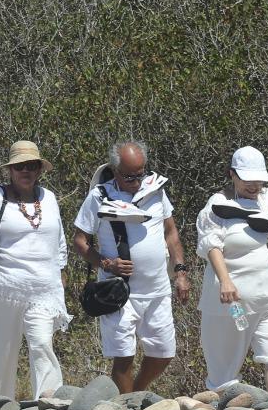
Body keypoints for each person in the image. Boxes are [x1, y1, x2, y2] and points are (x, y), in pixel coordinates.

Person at [72, 141, 190, 393]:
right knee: (124, 357)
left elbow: (171, 233)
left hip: (157, 289)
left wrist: (180, 271)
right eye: (129, 177)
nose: (136, 182)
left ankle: (136, 394)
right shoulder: (98, 196)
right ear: (115, 171)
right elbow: (80, 242)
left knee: (164, 352)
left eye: (141, 175)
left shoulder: (156, 191)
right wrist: (106, 263)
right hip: (119, 292)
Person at [0, 140, 70, 399]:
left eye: (32, 165)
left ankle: (49, 405)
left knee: (42, 344)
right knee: (1, 352)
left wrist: (61, 275)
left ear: (39, 169)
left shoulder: (49, 197)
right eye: (20, 166)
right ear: (10, 170)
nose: (26, 171)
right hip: (5, 288)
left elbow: (59, 243)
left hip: (44, 290)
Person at [196, 147, 268, 400]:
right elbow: (211, 244)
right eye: (247, 179)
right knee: (224, 365)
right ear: (232, 174)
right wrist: (225, 280)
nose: (254, 185)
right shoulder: (218, 205)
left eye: (258, 179)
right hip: (234, 302)